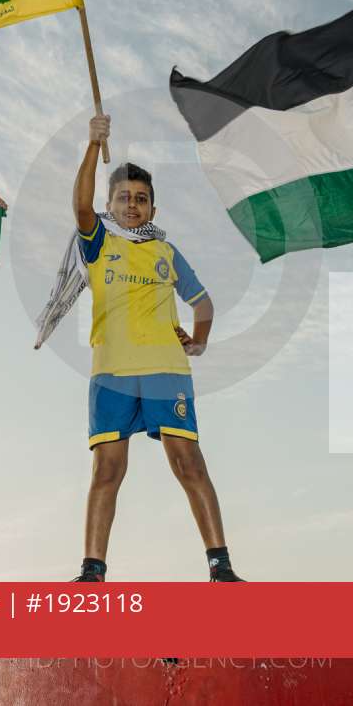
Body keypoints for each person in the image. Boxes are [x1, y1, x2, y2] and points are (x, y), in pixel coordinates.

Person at [69, 115, 241, 583]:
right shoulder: (98, 243)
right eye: (124, 197)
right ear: (109, 205)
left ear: (153, 208)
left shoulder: (166, 252)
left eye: (141, 199)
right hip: (112, 372)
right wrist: (93, 144)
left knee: (189, 463)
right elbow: (80, 205)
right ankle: (92, 572)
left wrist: (199, 341)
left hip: (166, 369)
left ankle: (221, 568)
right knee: (107, 471)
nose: (132, 204)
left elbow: (203, 303)